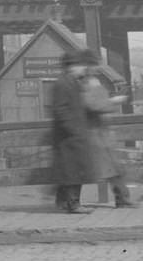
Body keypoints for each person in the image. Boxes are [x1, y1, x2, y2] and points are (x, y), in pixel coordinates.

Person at [80, 50, 133, 207]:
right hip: (94, 133)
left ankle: (122, 198)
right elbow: (92, 105)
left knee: (113, 168)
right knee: (108, 168)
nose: (97, 68)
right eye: (94, 64)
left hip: (101, 132)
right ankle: (66, 199)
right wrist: (114, 101)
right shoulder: (86, 83)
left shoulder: (92, 81)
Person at [51, 48, 91, 213]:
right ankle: (74, 204)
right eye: (81, 65)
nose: (84, 68)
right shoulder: (63, 84)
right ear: (72, 66)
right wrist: (74, 130)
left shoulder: (72, 82)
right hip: (68, 137)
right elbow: (60, 110)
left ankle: (64, 202)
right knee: (72, 171)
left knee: (72, 171)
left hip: (72, 136)